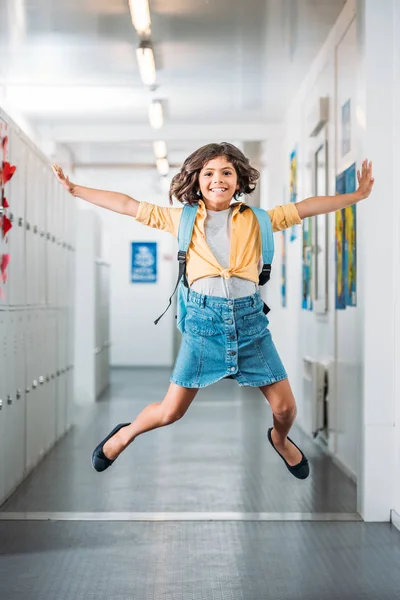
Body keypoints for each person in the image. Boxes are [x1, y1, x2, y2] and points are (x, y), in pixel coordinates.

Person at [52, 143, 374, 479]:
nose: (217, 179)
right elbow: (127, 205)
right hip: (203, 326)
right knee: (170, 412)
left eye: (226, 172)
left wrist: (357, 195)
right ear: (196, 180)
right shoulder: (181, 219)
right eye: (209, 173)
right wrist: (75, 190)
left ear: (238, 180)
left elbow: (306, 207)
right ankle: (125, 433)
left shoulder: (258, 219)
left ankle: (279, 440)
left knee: (285, 407)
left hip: (250, 325)